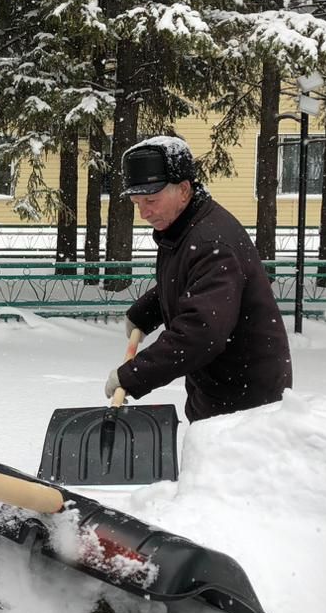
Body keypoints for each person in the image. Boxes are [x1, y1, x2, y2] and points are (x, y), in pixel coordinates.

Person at [105, 136, 292, 422]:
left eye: (151, 200)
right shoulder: (184, 229)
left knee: (228, 467)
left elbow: (201, 332)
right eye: (137, 202)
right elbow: (187, 282)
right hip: (219, 388)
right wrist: (145, 313)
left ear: (183, 190)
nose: (144, 213)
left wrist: (134, 375)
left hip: (244, 405)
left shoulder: (210, 242)